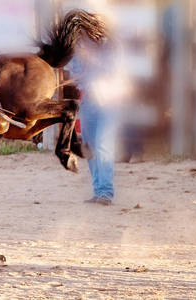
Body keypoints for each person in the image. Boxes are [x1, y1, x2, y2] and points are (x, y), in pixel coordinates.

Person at [68, 26, 130, 206]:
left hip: (109, 99)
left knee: (103, 145)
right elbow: (75, 73)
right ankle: (99, 190)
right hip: (89, 98)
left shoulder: (112, 44)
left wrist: (90, 59)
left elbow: (113, 70)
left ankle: (105, 192)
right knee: (90, 146)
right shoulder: (80, 45)